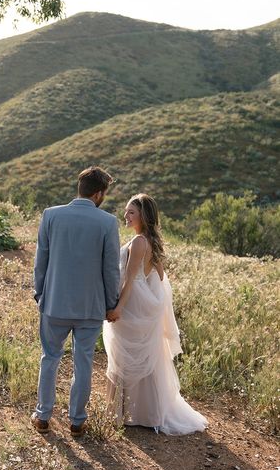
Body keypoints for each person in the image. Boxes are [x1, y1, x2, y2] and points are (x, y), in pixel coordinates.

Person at [103, 193, 208, 435]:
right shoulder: (151, 241)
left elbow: (130, 279)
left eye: (131, 212)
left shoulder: (140, 242)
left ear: (143, 216)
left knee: (126, 353)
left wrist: (119, 307)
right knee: (143, 354)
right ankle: (146, 412)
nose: (126, 216)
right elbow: (160, 278)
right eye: (126, 211)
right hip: (142, 303)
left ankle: (123, 411)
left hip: (131, 304)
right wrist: (148, 295)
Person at [32, 166, 121, 437]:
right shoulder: (108, 222)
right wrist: (110, 303)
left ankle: (43, 416)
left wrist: (40, 294)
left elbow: (41, 261)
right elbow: (110, 269)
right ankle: (77, 421)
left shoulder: (51, 215)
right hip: (90, 307)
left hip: (54, 302)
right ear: (98, 194)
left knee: (50, 357)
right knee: (83, 362)